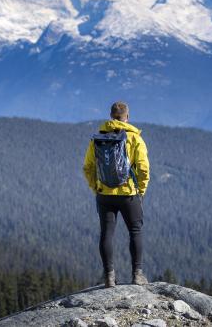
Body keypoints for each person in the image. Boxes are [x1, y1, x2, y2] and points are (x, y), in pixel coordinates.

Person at [83, 101, 150, 287]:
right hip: (128, 194)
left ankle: (109, 277)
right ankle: (137, 275)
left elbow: (87, 167)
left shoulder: (98, 138)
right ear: (127, 117)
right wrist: (141, 190)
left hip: (104, 194)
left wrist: (95, 187)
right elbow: (143, 168)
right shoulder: (134, 138)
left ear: (111, 117)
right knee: (135, 231)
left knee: (106, 233)